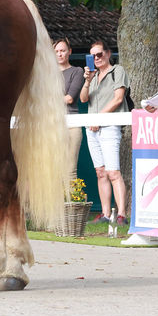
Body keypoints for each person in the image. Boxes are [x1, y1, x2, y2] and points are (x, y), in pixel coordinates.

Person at [80, 40, 129, 226]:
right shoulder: (93, 76)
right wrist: (87, 80)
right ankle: (106, 213)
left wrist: (98, 119)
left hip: (108, 126)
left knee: (113, 172)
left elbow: (118, 99)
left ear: (108, 54)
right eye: (92, 56)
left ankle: (122, 214)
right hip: (92, 128)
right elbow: (84, 99)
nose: (96, 58)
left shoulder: (117, 71)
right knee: (100, 172)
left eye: (99, 54)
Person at [54, 38, 84, 179]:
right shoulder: (48, 75)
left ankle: (72, 201)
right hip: (51, 125)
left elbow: (69, 98)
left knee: (70, 170)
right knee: (53, 168)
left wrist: (49, 102)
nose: (60, 54)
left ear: (69, 52)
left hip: (71, 125)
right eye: (57, 51)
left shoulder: (76, 71)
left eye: (63, 51)